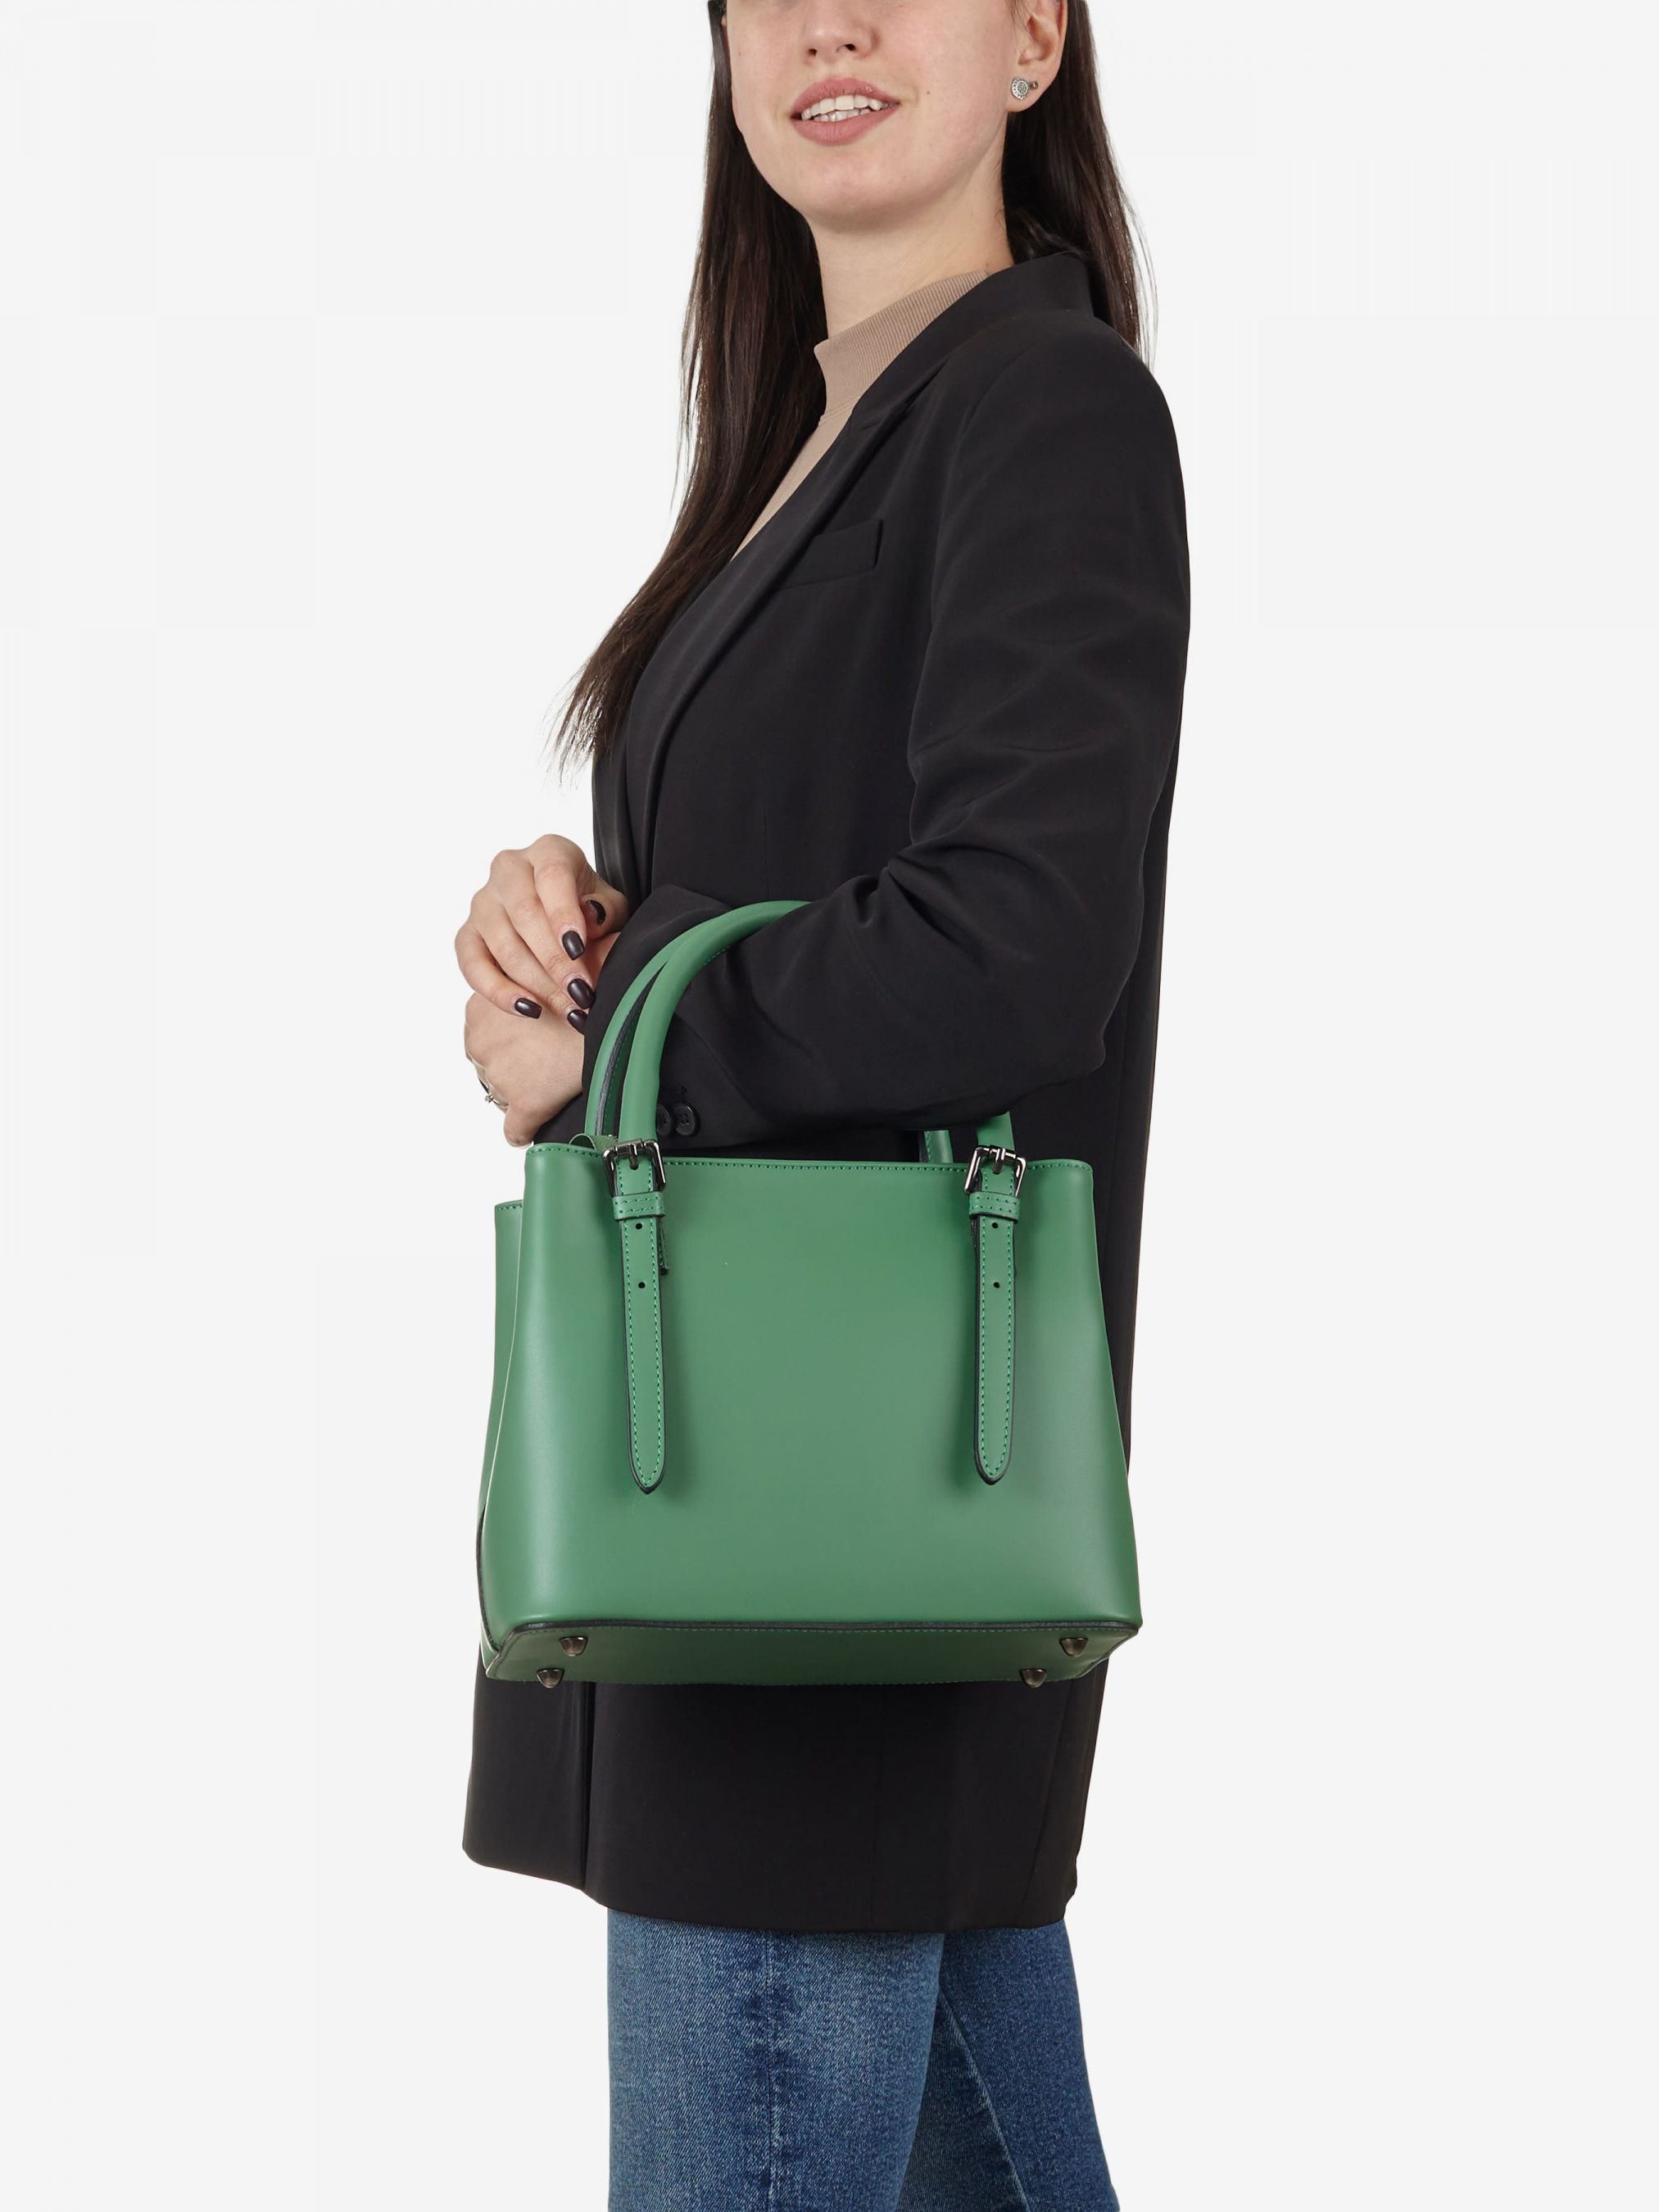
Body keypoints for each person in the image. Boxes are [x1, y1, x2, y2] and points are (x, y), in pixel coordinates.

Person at [456, 4, 1188, 2204]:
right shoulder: (818, 428)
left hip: (821, 1522)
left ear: (1034, 39)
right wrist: (576, 920)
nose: (827, 24)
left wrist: (624, 1034)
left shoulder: (1041, 403)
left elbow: (1019, 943)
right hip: (797, 1519)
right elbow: (819, 869)